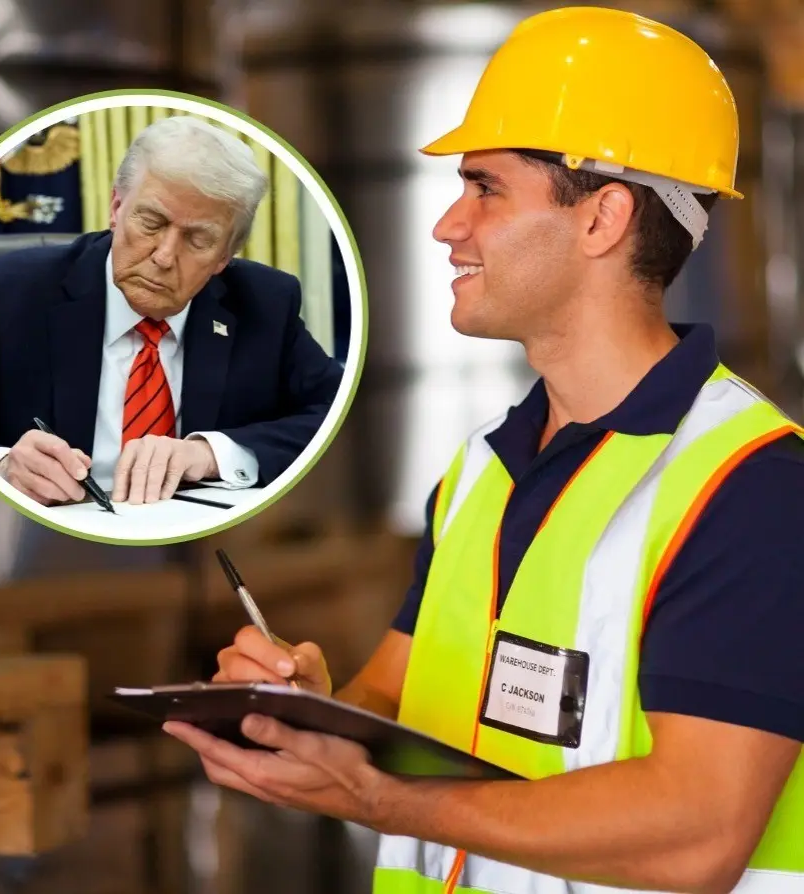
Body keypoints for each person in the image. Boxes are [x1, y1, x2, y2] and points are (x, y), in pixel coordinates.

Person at [164, 8, 804, 893]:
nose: (446, 226)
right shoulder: (481, 470)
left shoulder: (751, 490)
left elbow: (698, 832)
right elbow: (396, 698)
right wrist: (305, 713)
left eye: (485, 188)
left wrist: (382, 801)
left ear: (601, 219)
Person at [0, 115, 343, 506]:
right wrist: (2, 465)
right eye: (150, 222)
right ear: (116, 208)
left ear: (226, 256)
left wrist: (211, 454)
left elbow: (338, 416)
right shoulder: (10, 293)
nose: (164, 257)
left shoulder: (265, 302)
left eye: (199, 240)